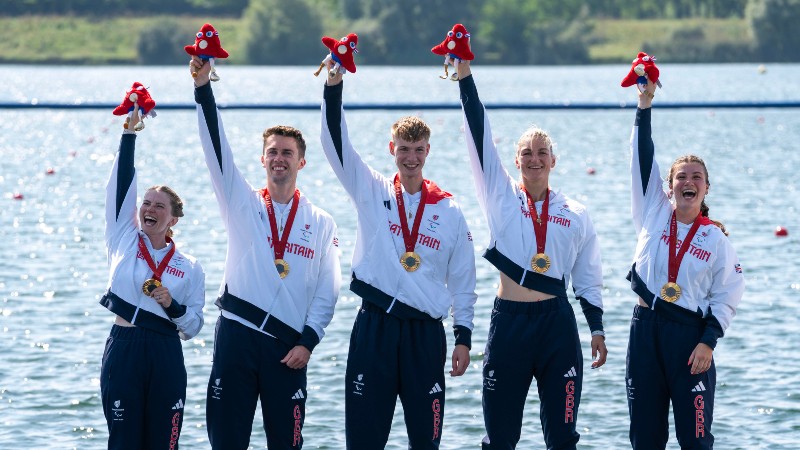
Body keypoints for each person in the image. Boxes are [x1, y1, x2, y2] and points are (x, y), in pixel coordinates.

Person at [320, 62, 477, 449]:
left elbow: (464, 279)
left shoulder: (449, 210)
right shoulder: (371, 190)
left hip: (425, 335)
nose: (411, 158)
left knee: (426, 441)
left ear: (428, 151)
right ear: (392, 149)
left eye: (418, 150)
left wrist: (464, 337)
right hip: (375, 328)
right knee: (364, 440)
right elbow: (334, 143)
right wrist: (333, 86)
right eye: (403, 150)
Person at [455, 60, 608, 450]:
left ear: (553, 160)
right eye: (527, 152)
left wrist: (597, 328)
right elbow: (479, 136)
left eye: (542, 152)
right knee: (501, 438)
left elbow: (588, 275)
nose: (535, 158)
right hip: (510, 324)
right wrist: (465, 76)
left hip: (557, 325)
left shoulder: (576, 212)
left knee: (562, 438)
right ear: (516, 160)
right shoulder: (500, 196)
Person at [189, 57, 341, 450]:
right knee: (226, 442)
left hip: (288, 348)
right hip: (237, 337)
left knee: (287, 444)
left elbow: (328, 290)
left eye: (287, 153)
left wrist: (309, 341)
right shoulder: (240, 203)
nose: (279, 158)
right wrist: (203, 87)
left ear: (301, 162)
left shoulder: (321, 222)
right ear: (262, 159)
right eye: (272, 151)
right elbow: (215, 150)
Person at [625, 80, 744, 449]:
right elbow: (642, 158)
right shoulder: (654, 211)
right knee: (646, 439)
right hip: (644, 332)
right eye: (681, 176)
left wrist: (708, 342)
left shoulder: (716, 240)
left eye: (696, 177)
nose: (687, 182)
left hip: (689, 340)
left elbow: (728, 295)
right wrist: (644, 106)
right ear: (669, 185)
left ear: (707, 188)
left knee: (694, 440)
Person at [100, 103, 205, 449]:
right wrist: (129, 134)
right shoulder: (125, 239)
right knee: (124, 442)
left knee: (164, 443)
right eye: (146, 203)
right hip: (125, 347)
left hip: (165, 350)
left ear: (173, 219)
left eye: (160, 206)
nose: (150, 209)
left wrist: (172, 306)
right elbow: (120, 187)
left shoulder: (189, 266)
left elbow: (192, 327)